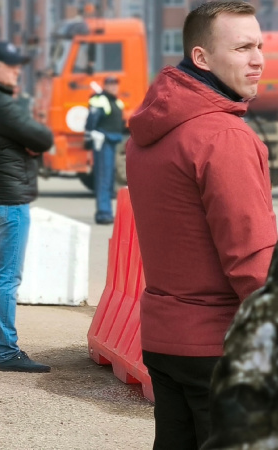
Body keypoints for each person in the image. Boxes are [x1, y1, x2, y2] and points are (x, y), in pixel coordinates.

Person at [125, 2, 277, 448]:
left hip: (164, 339)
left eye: (259, 46)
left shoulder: (150, 132)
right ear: (201, 58)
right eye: (242, 48)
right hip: (219, 345)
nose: (258, 59)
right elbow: (252, 257)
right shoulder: (223, 136)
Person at [0, 41, 54, 373]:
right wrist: (29, 143)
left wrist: (24, 141)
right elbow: (42, 137)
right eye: (12, 66)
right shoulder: (0, 102)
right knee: (7, 278)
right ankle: (7, 352)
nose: (18, 71)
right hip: (9, 200)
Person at [84, 76, 126, 225]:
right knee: (103, 178)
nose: (113, 87)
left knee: (109, 179)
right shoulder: (99, 100)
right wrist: (91, 137)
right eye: (110, 84)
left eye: (115, 84)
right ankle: (103, 213)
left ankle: (107, 211)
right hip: (103, 142)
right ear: (105, 86)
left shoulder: (117, 102)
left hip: (113, 141)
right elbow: (91, 122)